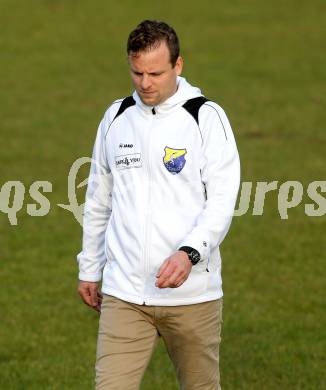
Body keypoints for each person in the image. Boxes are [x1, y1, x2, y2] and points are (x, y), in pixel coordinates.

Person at [77, 19, 240, 390]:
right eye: (137, 73)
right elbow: (99, 198)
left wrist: (189, 253)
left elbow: (222, 201)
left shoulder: (205, 117)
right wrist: (90, 266)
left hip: (192, 295)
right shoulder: (117, 117)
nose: (145, 83)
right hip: (125, 294)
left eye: (155, 73)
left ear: (178, 66)